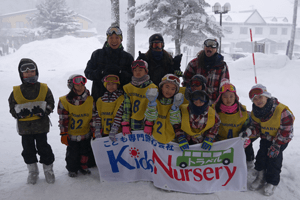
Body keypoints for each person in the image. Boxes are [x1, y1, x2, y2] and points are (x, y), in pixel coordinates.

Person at [8, 58, 55, 184]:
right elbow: (12, 108)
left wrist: (45, 111)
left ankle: (48, 169)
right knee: (28, 150)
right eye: (25, 71)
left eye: (32, 70)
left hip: (41, 127)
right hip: (25, 128)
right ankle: (33, 171)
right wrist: (18, 114)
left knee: (44, 148)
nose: (29, 73)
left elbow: (51, 102)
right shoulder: (16, 91)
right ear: (21, 74)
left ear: (36, 71)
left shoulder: (44, 88)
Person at [246, 84, 294, 196]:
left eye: (260, 97)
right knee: (262, 155)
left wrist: (277, 145)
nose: (258, 101)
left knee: (274, 158)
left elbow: (286, 131)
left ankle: (272, 181)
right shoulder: (256, 112)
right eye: (255, 99)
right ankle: (261, 176)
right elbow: (256, 127)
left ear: (266, 96)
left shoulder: (282, 111)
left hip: (281, 139)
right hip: (266, 137)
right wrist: (248, 132)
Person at [57, 74, 97, 177]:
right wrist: (63, 134)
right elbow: (63, 119)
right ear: (71, 86)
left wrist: (94, 132)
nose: (80, 88)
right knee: (72, 154)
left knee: (85, 152)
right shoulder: (64, 101)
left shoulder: (90, 100)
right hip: (72, 135)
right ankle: (72, 168)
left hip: (85, 133)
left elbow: (93, 117)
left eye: (82, 85)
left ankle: (84, 166)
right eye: (77, 85)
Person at [213, 79, 255, 168]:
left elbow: (252, 126)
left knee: (248, 144)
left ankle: (249, 162)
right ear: (220, 98)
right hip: (220, 142)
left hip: (237, 143)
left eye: (231, 96)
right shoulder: (214, 111)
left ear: (235, 97)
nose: (229, 99)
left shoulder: (243, 112)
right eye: (225, 97)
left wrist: (247, 135)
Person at [84, 25, 134, 101]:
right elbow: (88, 73)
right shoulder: (97, 54)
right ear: (107, 39)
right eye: (111, 38)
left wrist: (120, 73)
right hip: (99, 98)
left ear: (121, 39)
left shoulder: (128, 57)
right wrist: (101, 72)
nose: (114, 41)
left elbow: (133, 77)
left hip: (121, 101)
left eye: (117, 38)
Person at [182, 38, 230, 105]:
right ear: (204, 48)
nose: (209, 48)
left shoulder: (222, 66)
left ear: (216, 50)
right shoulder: (194, 64)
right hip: (196, 104)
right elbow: (186, 83)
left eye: (212, 47)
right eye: (207, 46)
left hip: (214, 105)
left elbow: (225, 86)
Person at [144, 74, 185, 150]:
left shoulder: (176, 103)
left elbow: (176, 122)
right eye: (167, 87)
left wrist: (175, 108)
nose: (169, 91)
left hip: (171, 139)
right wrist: (152, 104)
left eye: (173, 89)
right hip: (155, 138)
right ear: (161, 86)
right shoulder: (155, 100)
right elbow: (150, 118)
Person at [122, 60, 157, 133]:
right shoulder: (128, 88)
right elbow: (126, 107)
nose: (137, 72)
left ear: (146, 71)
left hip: (147, 122)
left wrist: (149, 123)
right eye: (135, 70)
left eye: (140, 70)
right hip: (133, 122)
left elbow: (153, 108)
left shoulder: (152, 88)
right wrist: (125, 123)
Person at [94, 74, 124, 142]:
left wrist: (114, 130)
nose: (111, 86)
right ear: (105, 85)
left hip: (117, 133)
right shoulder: (100, 100)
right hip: (104, 133)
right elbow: (98, 116)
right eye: (109, 84)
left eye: (113, 83)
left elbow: (118, 115)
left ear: (117, 85)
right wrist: (97, 130)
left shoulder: (121, 98)